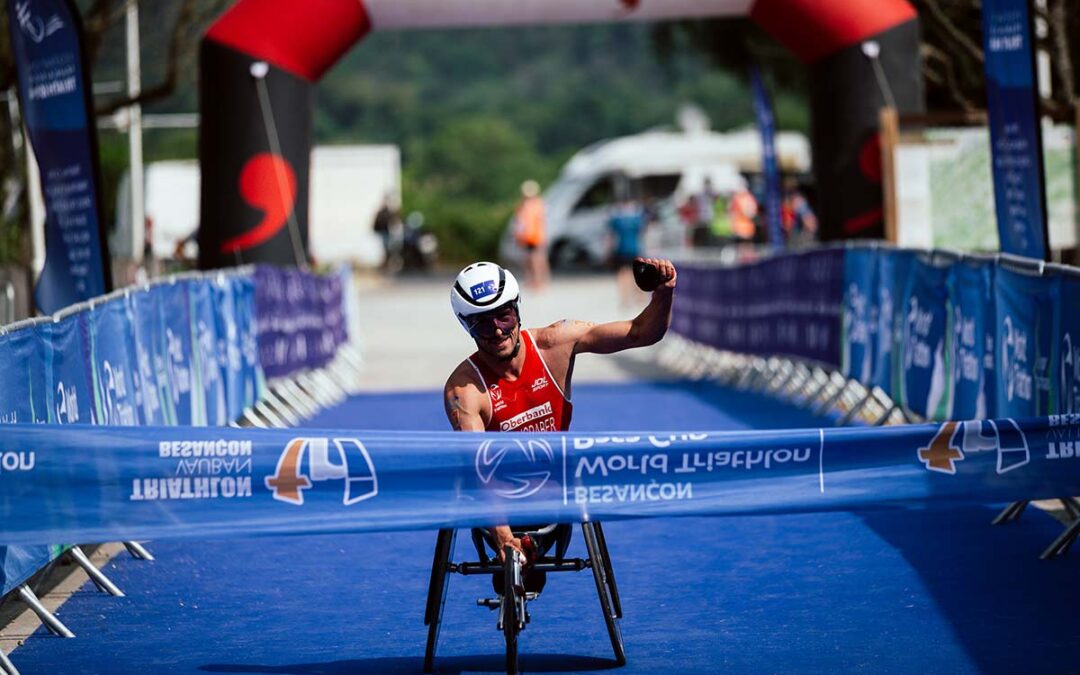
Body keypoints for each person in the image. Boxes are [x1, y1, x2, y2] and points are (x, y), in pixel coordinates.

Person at [443, 258, 677, 569]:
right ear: (466, 325)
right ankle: (521, 549)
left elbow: (640, 332)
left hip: (555, 494)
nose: (497, 331)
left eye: (504, 317)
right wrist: (503, 538)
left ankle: (531, 548)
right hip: (498, 505)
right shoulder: (464, 390)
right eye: (482, 323)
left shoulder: (556, 342)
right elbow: (478, 470)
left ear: (517, 309)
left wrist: (663, 294)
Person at [607, 196, 647, 307]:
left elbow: (611, 236)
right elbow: (643, 232)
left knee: (622, 274)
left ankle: (624, 299)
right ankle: (640, 297)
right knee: (638, 274)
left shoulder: (617, 220)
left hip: (621, 249)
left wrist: (609, 250)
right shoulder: (636, 218)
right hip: (635, 248)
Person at [513, 180, 549, 291]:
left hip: (536, 236)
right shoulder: (524, 205)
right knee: (528, 260)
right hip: (527, 237)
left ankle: (540, 281)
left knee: (537, 260)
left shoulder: (536, 204)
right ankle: (532, 280)